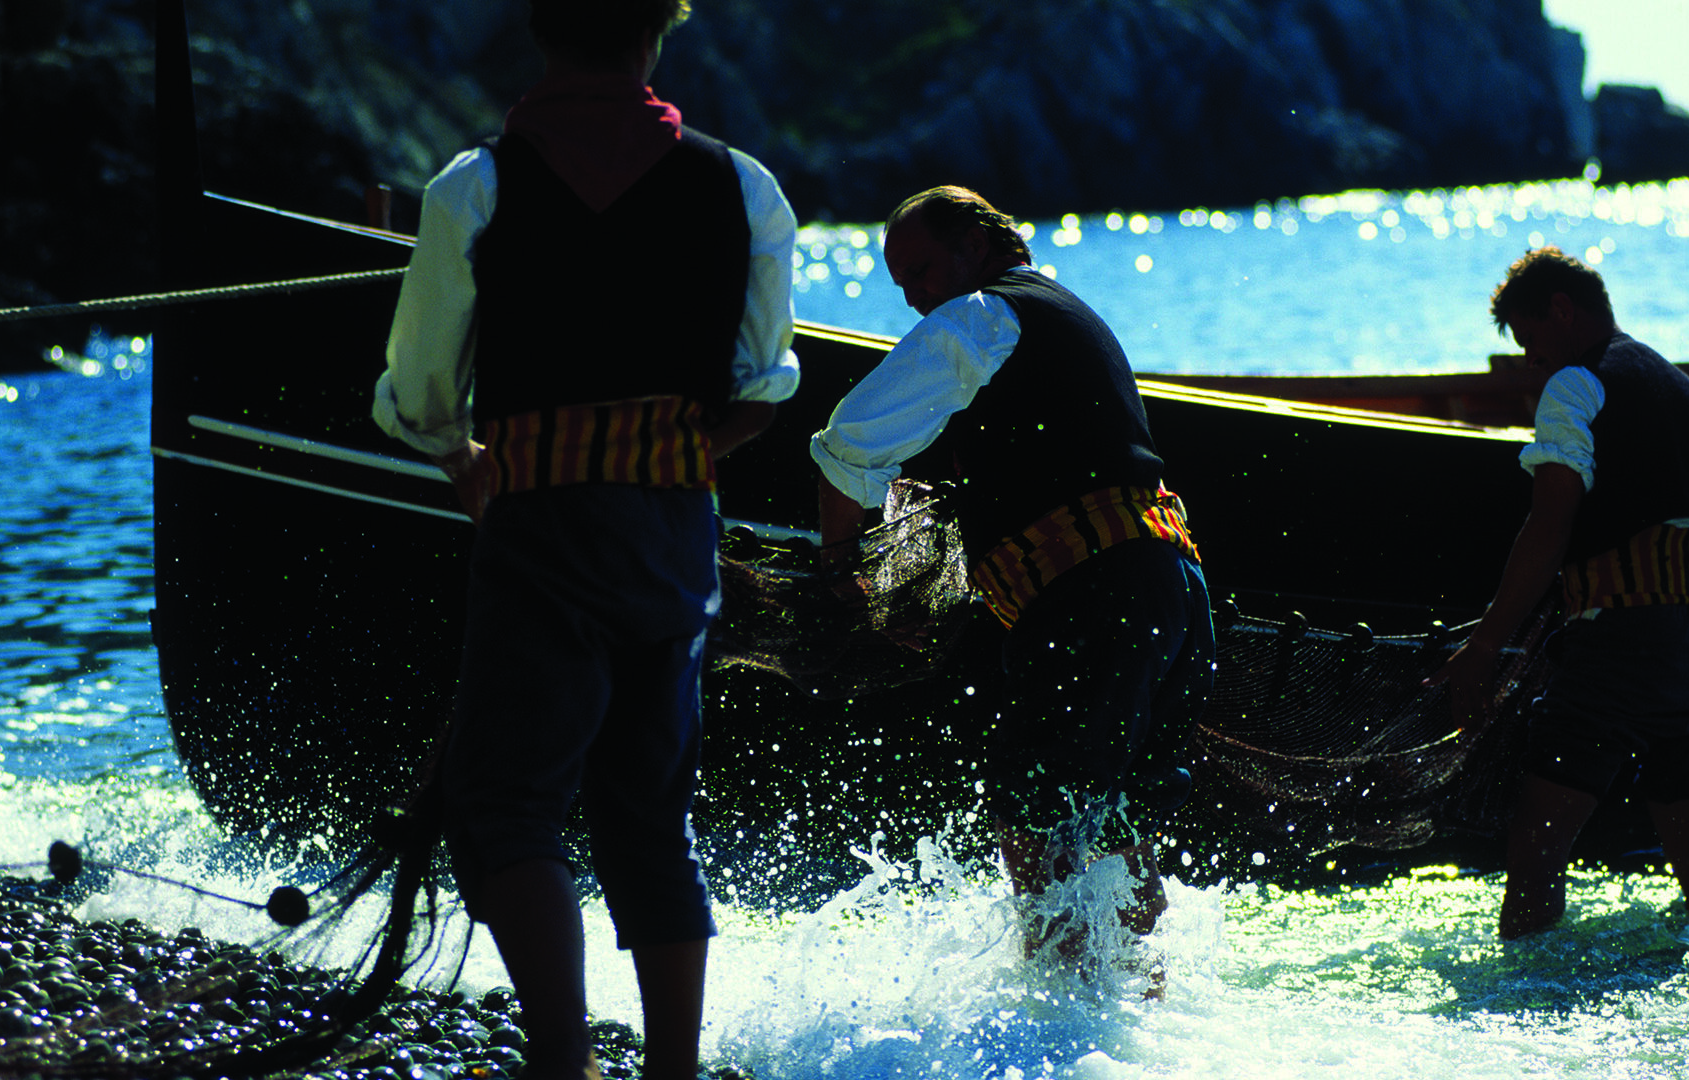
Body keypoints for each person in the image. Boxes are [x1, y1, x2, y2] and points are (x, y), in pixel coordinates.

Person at [371, 0, 799, 1075]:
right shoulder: (745, 186)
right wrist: (664, 457)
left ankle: (562, 1059)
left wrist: (465, 460)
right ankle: (670, 1071)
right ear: (660, 32)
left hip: (541, 519)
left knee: (504, 805)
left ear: (538, 31)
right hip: (672, 530)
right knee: (649, 813)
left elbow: (423, 389)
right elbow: (762, 384)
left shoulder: (475, 186)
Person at [809, 186, 1214, 967]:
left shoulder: (984, 317)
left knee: (1035, 816)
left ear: (976, 242)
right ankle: (1144, 1022)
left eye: (922, 269)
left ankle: (1059, 1029)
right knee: (1120, 828)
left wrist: (840, 572)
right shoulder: (1065, 313)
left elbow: (847, 447)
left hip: (1096, 597)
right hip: (1172, 586)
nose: (915, 296)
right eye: (900, 284)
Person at [1427, 246, 1689, 940]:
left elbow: (1549, 525)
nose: (1532, 362)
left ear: (1562, 311)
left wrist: (1484, 648)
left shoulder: (1576, 386)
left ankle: (1525, 1007)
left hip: (1622, 644)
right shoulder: (1682, 387)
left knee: (1536, 853)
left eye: (1531, 340)